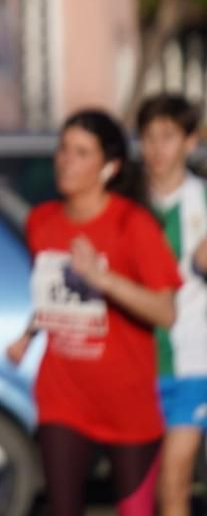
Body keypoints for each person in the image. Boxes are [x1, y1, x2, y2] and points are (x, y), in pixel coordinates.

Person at [5, 108, 180, 516]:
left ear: (109, 166)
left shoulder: (131, 224)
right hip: (63, 394)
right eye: (63, 149)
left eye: (82, 153)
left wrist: (104, 280)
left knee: (135, 511)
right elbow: (53, 296)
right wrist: (28, 335)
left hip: (126, 400)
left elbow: (165, 311)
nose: (67, 161)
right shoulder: (42, 221)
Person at [138, 94, 207, 516]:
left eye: (167, 137)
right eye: (148, 138)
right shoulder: (128, 200)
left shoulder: (203, 200)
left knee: (175, 484)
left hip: (191, 361)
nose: (156, 149)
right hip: (136, 362)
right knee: (139, 492)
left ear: (189, 142)